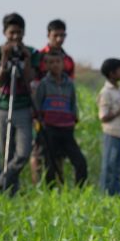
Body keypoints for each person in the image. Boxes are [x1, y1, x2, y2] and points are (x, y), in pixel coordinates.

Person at [0, 12, 38, 194]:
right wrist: (4, 58)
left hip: (24, 107)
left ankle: (0, 181)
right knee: (5, 154)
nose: (16, 37)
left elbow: (29, 79)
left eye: (19, 32)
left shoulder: (31, 53)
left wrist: (25, 60)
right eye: (12, 33)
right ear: (5, 33)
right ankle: (10, 194)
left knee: (23, 153)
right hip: (3, 109)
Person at [30, 19, 77, 185]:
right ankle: (38, 185)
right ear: (48, 35)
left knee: (58, 153)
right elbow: (33, 83)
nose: (59, 39)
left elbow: (69, 88)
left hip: (60, 115)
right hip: (41, 111)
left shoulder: (68, 61)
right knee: (38, 151)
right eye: (55, 35)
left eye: (62, 35)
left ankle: (57, 184)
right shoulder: (38, 56)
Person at [34, 49, 86, 187]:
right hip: (49, 129)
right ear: (46, 65)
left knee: (80, 162)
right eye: (51, 62)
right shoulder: (43, 84)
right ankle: (51, 194)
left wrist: (73, 120)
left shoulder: (69, 84)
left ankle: (79, 192)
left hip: (67, 130)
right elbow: (37, 109)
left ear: (63, 64)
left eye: (58, 62)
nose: (55, 65)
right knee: (50, 165)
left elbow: (72, 104)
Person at [97, 58, 120, 196]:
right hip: (111, 133)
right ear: (112, 74)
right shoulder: (106, 92)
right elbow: (103, 117)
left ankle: (116, 195)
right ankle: (105, 196)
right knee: (109, 167)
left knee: (117, 168)